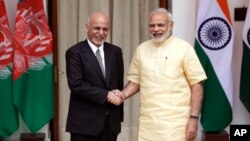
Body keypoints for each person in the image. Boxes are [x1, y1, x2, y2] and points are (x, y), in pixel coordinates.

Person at [114, 8, 207, 141]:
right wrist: (122, 95)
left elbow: (197, 84)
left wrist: (194, 118)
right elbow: (136, 81)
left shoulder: (184, 48)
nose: (156, 29)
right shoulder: (141, 49)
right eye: (152, 25)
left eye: (160, 25)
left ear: (171, 25)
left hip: (177, 125)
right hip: (148, 125)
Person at [65, 12, 124, 141]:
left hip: (110, 123)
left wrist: (118, 116)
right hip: (83, 124)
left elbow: (119, 84)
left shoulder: (116, 52)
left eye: (105, 29)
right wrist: (106, 95)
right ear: (87, 28)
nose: (101, 32)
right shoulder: (74, 52)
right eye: (97, 28)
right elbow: (76, 84)